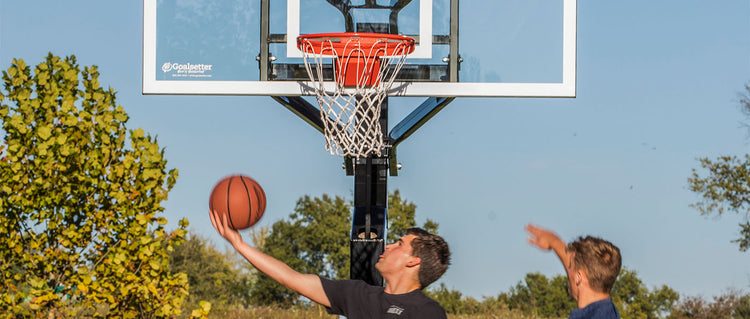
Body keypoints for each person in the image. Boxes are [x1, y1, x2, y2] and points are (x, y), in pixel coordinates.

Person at [210, 209, 451, 318]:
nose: (387, 246)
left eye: (399, 244)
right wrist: (239, 245)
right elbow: (290, 278)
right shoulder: (356, 294)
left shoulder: (427, 312)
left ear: (413, 261)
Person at [525, 224, 622, 319]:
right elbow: (581, 268)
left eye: (570, 266)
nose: (568, 269)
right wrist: (553, 241)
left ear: (578, 277)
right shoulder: (609, 311)